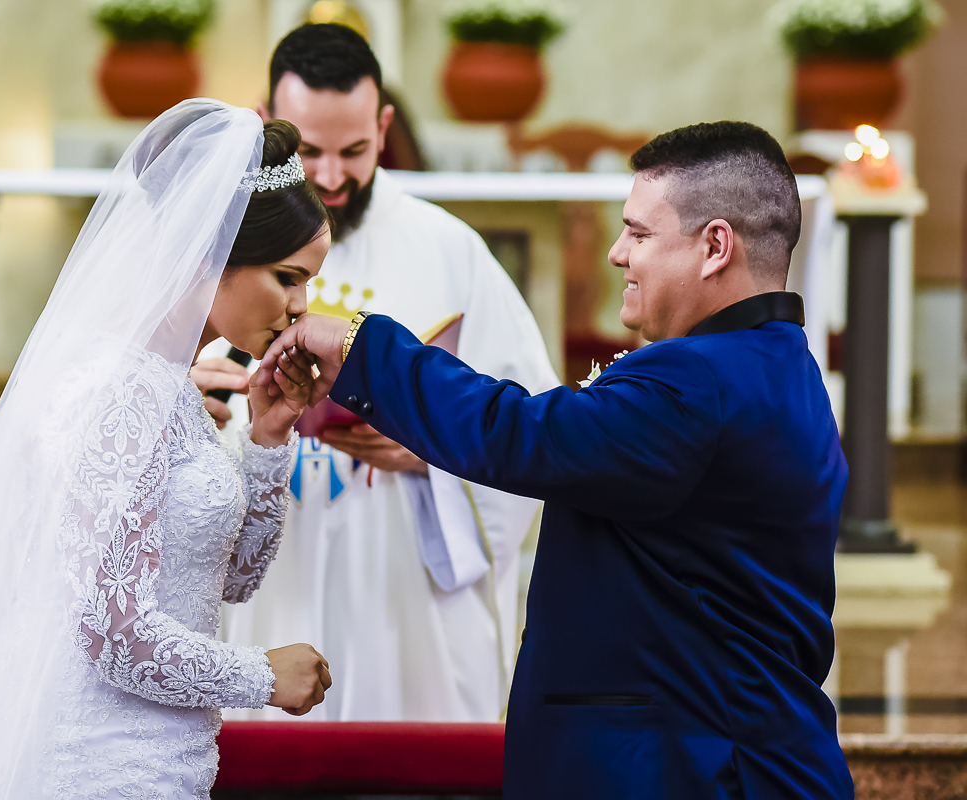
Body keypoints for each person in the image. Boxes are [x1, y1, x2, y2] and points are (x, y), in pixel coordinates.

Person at [263, 121, 854, 798]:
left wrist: (362, 348)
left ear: (715, 246)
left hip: (692, 769)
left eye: (638, 232)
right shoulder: (784, 367)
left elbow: (521, 435)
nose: (615, 252)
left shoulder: (699, 385)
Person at [0, 102, 334, 800]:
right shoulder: (123, 393)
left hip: (162, 757)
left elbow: (222, 582)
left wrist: (267, 440)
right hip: (92, 764)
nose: (302, 307)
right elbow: (111, 630)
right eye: (289, 278)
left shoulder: (165, 384)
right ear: (212, 251)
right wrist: (264, 675)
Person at [214, 23, 561, 724]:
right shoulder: (226, 247)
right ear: (267, 123)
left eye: (355, 151)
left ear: (385, 125)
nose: (334, 178)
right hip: (278, 566)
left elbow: (534, 431)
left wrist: (433, 446)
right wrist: (225, 417)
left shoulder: (451, 253)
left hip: (407, 578)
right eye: (310, 152)